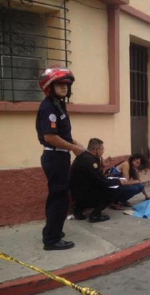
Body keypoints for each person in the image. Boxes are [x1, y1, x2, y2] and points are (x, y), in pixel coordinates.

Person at [36, 66, 86, 251]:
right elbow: (50, 136)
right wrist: (73, 148)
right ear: (50, 86)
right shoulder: (48, 107)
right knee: (59, 198)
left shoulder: (59, 104)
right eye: (60, 84)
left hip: (60, 156)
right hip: (54, 157)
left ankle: (53, 230)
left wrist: (78, 146)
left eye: (66, 84)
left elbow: (62, 134)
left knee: (59, 197)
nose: (64, 87)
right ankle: (51, 240)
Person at [70, 138, 130, 222]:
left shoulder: (86, 156)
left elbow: (94, 176)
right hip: (82, 194)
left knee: (102, 186)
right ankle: (95, 215)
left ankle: (78, 209)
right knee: (113, 190)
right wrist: (118, 181)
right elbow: (102, 181)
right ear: (95, 150)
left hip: (78, 192)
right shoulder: (90, 161)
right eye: (102, 149)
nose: (103, 151)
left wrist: (103, 166)